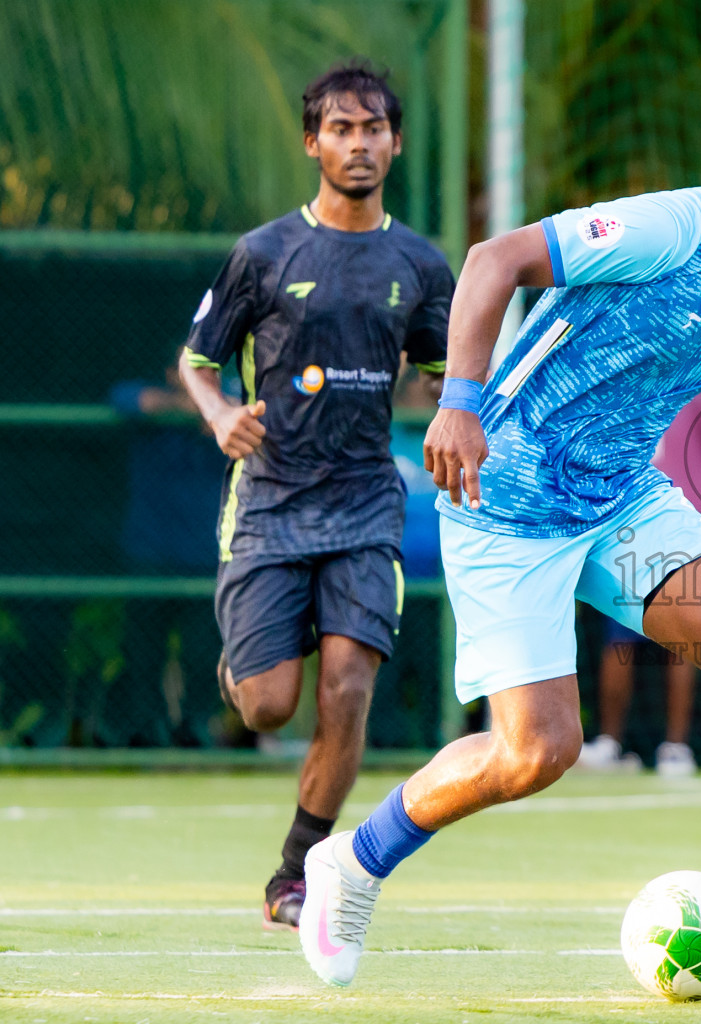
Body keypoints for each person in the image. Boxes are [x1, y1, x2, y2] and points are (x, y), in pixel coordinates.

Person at [297, 69, 701, 989]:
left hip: (620, 502)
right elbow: (492, 260)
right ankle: (352, 861)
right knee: (537, 751)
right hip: (506, 496)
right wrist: (460, 406)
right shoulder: (665, 228)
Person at [179, 60, 452, 931]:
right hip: (269, 501)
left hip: (368, 502)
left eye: (374, 128)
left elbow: (451, 380)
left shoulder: (420, 263)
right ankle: (251, 658)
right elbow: (196, 362)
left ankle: (297, 872)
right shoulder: (263, 254)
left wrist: (455, 418)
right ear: (313, 143)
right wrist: (221, 412)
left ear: (396, 142)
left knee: (346, 687)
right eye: (341, 128)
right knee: (268, 704)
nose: (359, 143)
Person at [579, 388, 701, 776]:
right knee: (619, 641)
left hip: (684, 534)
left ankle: (675, 748)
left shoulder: (692, 392)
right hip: (625, 532)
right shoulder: (616, 392)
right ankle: (610, 744)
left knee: (685, 642)